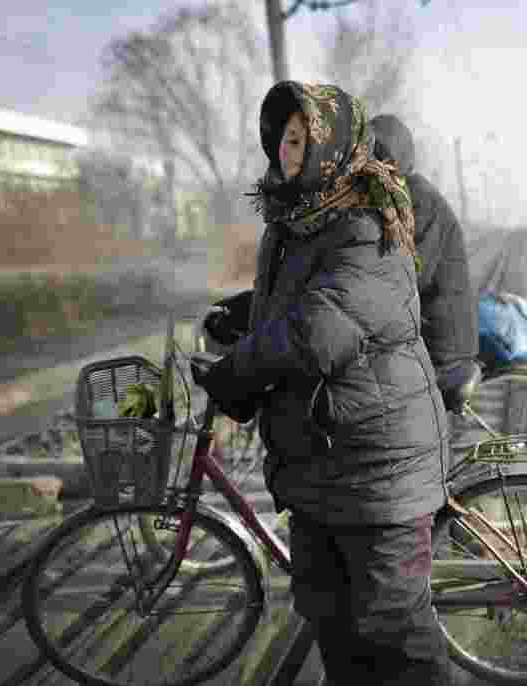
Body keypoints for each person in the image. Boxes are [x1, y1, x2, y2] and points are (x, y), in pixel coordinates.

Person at [195, 81, 452, 686]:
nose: (290, 152)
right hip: (320, 467)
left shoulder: (366, 223)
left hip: (377, 469)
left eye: (303, 139)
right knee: (334, 624)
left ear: (334, 145)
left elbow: (321, 328)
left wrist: (237, 373)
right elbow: (297, 300)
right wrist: (243, 313)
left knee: (395, 635)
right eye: (284, 139)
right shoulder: (296, 221)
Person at [368, 114, 479, 417]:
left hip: (444, 342)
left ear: (397, 160)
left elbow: (410, 274)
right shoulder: (406, 194)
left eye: (379, 160)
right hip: (435, 327)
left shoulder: (419, 201)